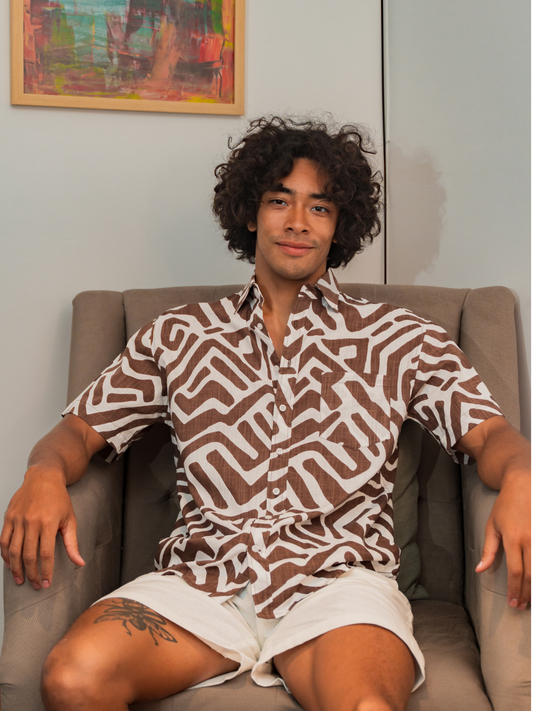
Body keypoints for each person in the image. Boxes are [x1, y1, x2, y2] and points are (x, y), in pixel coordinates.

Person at [1, 117, 530, 711]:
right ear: (250, 213)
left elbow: (491, 434)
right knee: (72, 680)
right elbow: (78, 432)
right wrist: (43, 472)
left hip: (338, 589)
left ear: (340, 224)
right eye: (280, 200)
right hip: (201, 585)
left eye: (320, 207)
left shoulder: (399, 337)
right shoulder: (179, 335)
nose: (298, 222)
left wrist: (520, 477)